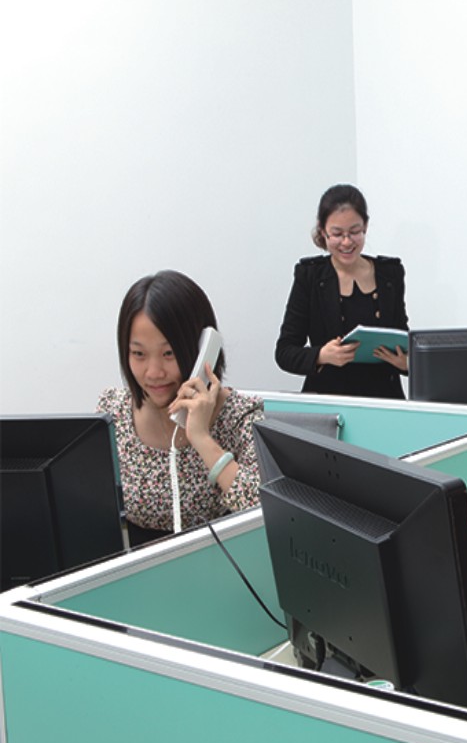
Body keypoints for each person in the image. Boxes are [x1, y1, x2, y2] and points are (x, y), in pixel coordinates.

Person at [97, 270, 264, 546]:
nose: (153, 372)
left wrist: (201, 437)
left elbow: (264, 512)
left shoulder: (240, 415)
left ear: (202, 349)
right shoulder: (111, 411)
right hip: (139, 567)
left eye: (169, 353)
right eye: (138, 354)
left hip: (221, 561)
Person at [275, 184, 409, 397]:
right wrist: (321, 355)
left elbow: (403, 338)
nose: (347, 242)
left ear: (365, 227)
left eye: (354, 232)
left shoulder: (390, 274)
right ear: (323, 232)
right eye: (337, 234)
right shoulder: (310, 276)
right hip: (328, 399)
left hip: (384, 399)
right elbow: (285, 352)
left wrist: (407, 363)